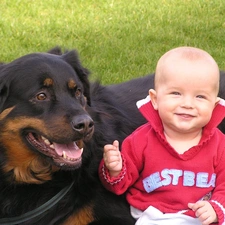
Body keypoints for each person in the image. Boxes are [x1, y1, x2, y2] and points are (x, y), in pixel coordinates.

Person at [98, 46, 225, 225]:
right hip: (157, 216)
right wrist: (115, 169)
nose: (187, 104)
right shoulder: (140, 141)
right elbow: (120, 186)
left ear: (214, 104)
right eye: (176, 93)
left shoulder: (219, 143)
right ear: (155, 100)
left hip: (205, 215)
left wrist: (216, 206)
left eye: (200, 97)